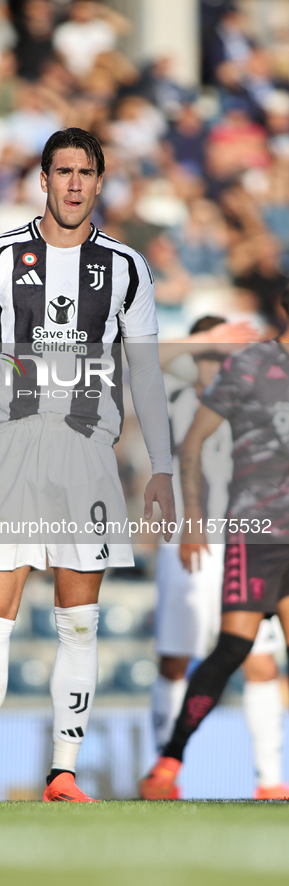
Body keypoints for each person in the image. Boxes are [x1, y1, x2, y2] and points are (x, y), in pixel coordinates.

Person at [0, 127, 175, 804]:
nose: (74, 183)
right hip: (16, 449)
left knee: (77, 621)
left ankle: (63, 772)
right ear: (43, 179)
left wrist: (163, 467)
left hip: (87, 454)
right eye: (63, 171)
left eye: (86, 171)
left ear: (99, 181)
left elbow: (145, 376)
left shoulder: (125, 268)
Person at [141, 291, 289, 800]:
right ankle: (164, 763)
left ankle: (270, 779)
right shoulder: (180, 395)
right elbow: (137, 356)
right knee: (186, 656)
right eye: (210, 352)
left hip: (259, 536)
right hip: (206, 540)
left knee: (261, 662)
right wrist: (190, 522)